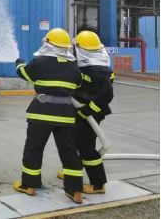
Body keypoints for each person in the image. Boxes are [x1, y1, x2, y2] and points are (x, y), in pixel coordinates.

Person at [13, 28, 83, 204]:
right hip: (66, 115)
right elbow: (77, 86)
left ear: (48, 43)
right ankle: (75, 190)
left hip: (41, 113)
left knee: (34, 148)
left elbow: (24, 73)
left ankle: (29, 185)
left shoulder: (40, 62)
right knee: (69, 152)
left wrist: (19, 63)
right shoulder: (73, 66)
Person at [57, 30, 114, 194]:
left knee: (86, 146)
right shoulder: (89, 66)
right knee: (75, 142)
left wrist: (88, 111)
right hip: (81, 110)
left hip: (90, 113)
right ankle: (74, 170)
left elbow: (107, 95)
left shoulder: (98, 70)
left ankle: (98, 184)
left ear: (81, 49)